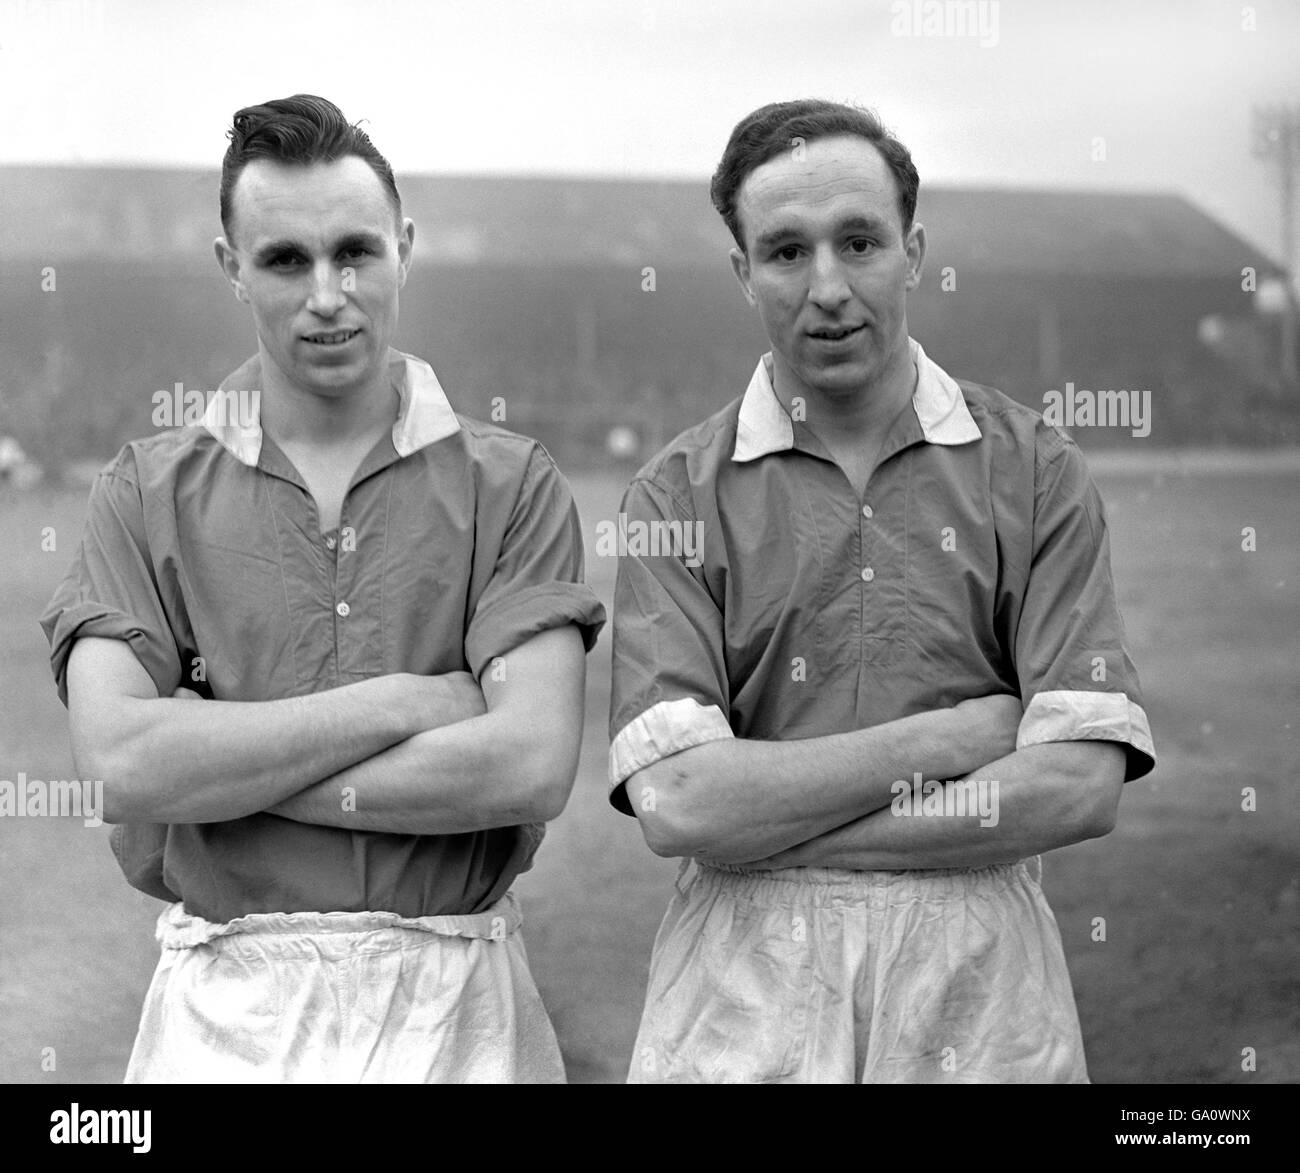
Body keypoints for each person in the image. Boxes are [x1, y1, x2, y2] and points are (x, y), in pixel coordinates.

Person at [39, 94, 604, 1084]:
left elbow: (526, 767)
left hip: (458, 1001)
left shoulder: (512, 484)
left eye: (355, 253)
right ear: (231, 267)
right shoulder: (144, 488)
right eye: (285, 260)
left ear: (404, 249)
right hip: (227, 1008)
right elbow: (124, 768)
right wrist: (407, 703)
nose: (328, 294)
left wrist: (217, 768)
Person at [607, 98, 1155, 1084]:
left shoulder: (1035, 468)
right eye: (786, 251)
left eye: (858, 242)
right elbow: (681, 802)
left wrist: (779, 827)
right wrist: (958, 738)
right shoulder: (673, 494)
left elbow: (1078, 783)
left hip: (978, 982)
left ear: (913, 253)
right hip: (743, 987)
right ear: (742, 273)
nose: (828, 288)